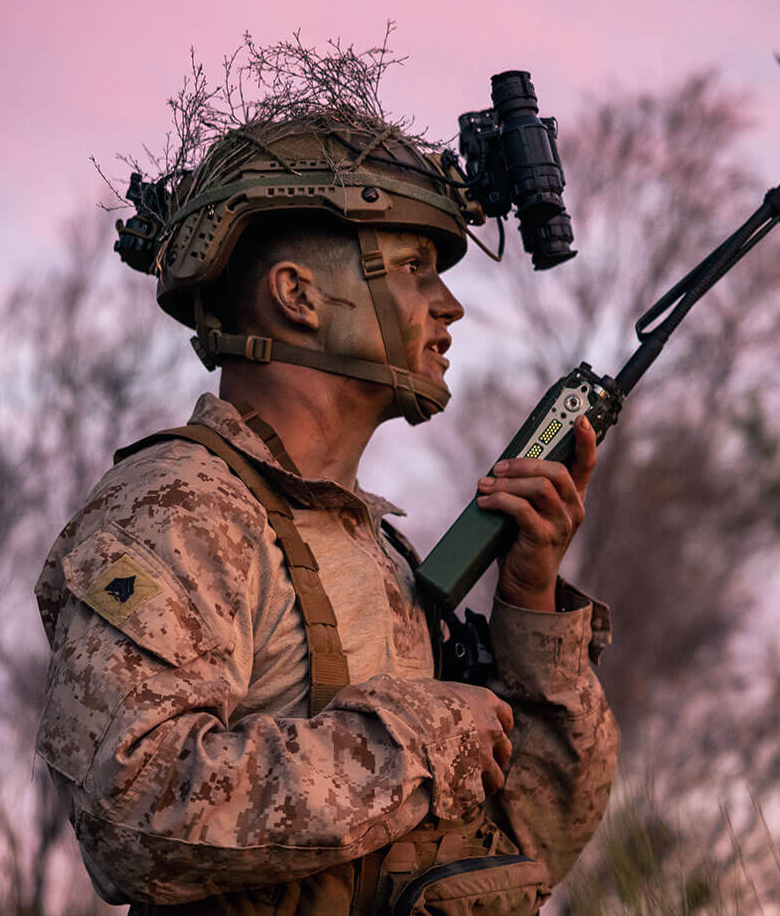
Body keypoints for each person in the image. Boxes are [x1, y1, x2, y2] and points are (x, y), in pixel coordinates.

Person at [34, 111, 619, 915]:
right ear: (298, 296)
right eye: (414, 266)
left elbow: (530, 842)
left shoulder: (378, 552)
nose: (449, 306)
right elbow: (130, 812)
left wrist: (531, 602)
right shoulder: (176, 512)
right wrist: (417, 740)